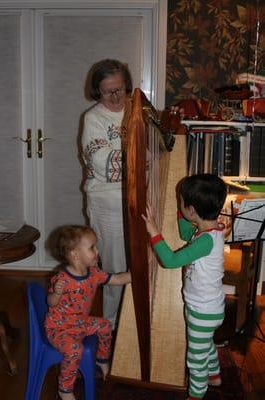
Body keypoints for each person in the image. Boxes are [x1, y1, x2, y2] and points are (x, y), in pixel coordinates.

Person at [142, 173, 227, 400]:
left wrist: (153, 232)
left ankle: (196, 395)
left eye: (182, 203)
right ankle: (214, 376)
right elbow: (185, 233)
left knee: (195, 357)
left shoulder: (205, 241)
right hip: (208, 308)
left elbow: (170, 261)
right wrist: (181, 210)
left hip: (203, 311)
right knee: (205, 344)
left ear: (192, 210)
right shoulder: (211, 231)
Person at [44, 225, 131, 400]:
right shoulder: (62, 279)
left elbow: (117, 279)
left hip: (80, 324)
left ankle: (102, 359)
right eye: (92, 248)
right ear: (75, 254)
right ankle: (65, 389)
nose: (97, 251)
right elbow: (50, 302)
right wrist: (57, 293)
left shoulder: (94, 273)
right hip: (59, 330)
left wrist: (135, 273)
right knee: (76, 350)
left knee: (105, 325)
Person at [81, 59, 132, 329]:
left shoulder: (137, 112)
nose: (114, 97)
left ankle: (132, 321)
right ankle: (111, 328)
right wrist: (137, 161)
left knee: (137, 264)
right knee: (115, 269)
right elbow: (101, 164)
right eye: (107, 91)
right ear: (97, 91)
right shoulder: (93, 118)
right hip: (107, 204)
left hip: (136, 201)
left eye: (119, 89)